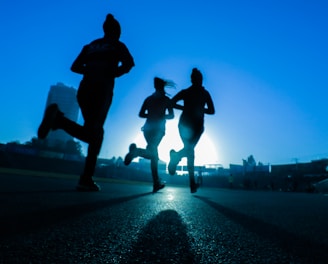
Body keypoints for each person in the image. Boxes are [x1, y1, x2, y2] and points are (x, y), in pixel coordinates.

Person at [37, 14, 135, 191]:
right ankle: (59, 122)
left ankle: (86, 177)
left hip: (84, 89)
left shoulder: (90, 46)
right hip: (102, 90)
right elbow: (129, 64)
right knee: (95, 134)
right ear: (117, 32)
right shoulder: (117, 45)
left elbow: (74, 67)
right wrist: (112, 73)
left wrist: (90, 70)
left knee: (95, 133)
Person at [168, 68, 215, 193]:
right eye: (198, 79)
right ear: (195, 80)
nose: (199, 81)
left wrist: (188, 108)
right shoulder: (203, 94)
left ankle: (176, 157)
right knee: (190, 151)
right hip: (191, 126)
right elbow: (211, 111)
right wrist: (194, 108)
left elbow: (171, 103)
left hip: (193, 126)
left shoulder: (189, 92)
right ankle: (192, 183)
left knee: (190, 151)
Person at [124, 77, 175, 193]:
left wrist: (151, 115)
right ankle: (136, 152)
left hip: (147, 129)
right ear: (163, 87)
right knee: (154, 155)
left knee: (154, 155)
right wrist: (162, 116)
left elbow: (141, 114)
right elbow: (172, 116)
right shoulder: (166, 100)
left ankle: (156, 182)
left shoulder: (148, 99)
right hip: (158, 130)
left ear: (155, 87)